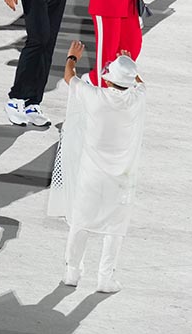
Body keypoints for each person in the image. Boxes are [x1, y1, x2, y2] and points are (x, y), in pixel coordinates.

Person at [47, 42, 146, 294]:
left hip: (91, 174)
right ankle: (105, 277)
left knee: (80, 222)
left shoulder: (94, 96)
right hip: (122, 178)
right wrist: (129, 66)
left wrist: (72, 56)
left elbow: (69, 77)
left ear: (109, 79)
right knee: (115, 226)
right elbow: (140, 83)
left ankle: (72, 271)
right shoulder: (137, 98)